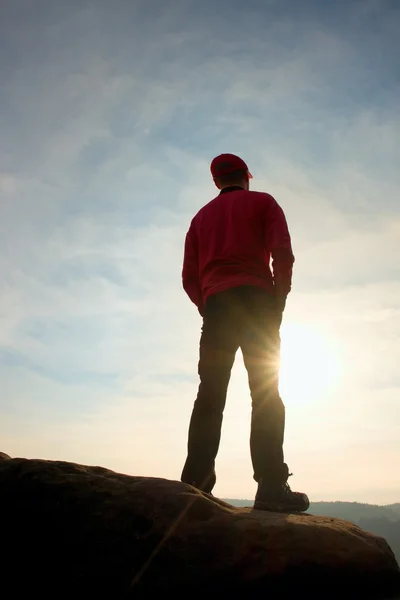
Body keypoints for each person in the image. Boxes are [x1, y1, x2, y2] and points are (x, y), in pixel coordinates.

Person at [180, 153, 309, 512]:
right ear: (246, 177)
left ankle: (194, 485)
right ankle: (270, 487)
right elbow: (282, 253)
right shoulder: (263, 202)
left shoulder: (200, 219)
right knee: (266, 393)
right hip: (258, 304)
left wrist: (210, 305)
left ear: (217, 182)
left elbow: (189, 277)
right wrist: (278, 299)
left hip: (218, 306)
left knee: (210, 396)